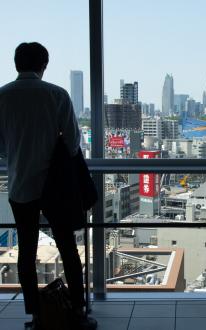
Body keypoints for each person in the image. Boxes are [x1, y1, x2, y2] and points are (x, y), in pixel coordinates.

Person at [0, 42, 97, 330]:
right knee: (68, 248)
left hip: (20, 184)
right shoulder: (56, 94)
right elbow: (71, 143)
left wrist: (18, 154)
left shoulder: (2, 97)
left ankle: (36, 314)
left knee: (26, 252)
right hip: (56, 187)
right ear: (44, 64)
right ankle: (77, 311)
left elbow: (1, 147)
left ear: (17, 63)